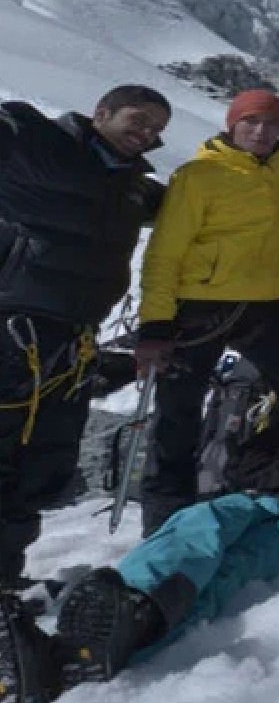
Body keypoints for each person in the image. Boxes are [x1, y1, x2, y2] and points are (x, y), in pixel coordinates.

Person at [0, 332, 279, 702]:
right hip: (259, 499)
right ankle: (131, 603)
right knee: (198, 526)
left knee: (231, 572)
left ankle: (132, 638)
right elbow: (246, 462)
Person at [133, 90, 279, 535]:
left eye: (271, 123)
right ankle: (165, 517)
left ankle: (253, 466)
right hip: (198, 308)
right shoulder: (198, 175)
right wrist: (155, 322)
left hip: (263, 305)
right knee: (177, 413)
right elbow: (164, 253)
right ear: (232, 124)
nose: (261, 132)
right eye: (251, 122)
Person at [0, 85, 169, 589]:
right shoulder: (38, 142)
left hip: (73, 342)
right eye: (138, 121)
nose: (146, 135)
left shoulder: (134, 188)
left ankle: (7, 578)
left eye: (156, 130)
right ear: (101, 113)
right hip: (12, 326)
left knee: (41, 466)